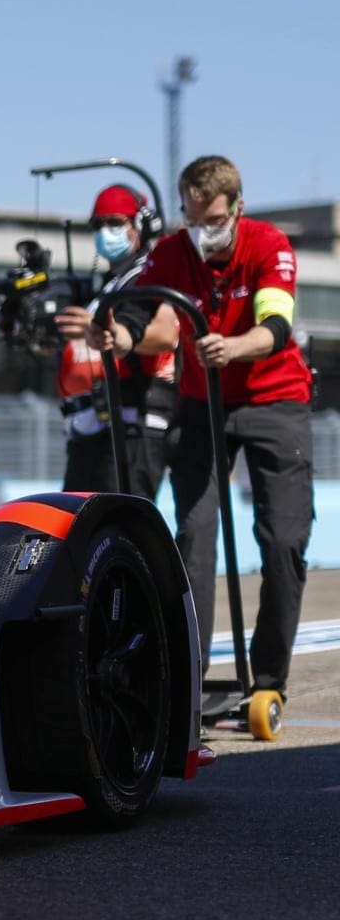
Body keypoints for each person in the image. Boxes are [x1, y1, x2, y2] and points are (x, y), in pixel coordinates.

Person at [99, 155, 312, 702]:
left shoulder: (268, 245)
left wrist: (236, 347)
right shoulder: (173, 252)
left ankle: (269, 680)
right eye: (191, 220)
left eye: (212, 221)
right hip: (200, 403)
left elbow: (276, 323)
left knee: (283, 542)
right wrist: (122, 337)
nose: (201, 233)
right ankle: (188, 678)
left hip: (273, 399)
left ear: (238, 208)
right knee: (193, 535)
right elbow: (139, 309)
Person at [52, 185, 177, 496]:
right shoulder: (107, 285)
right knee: (77, 521)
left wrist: (106, 330)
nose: (104, 232)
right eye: (98, 225)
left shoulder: (150, 275)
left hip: (132, 423)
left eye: (115, 223)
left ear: (142, 225)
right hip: (93, 424)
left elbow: (167, 333)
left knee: (121, 521)